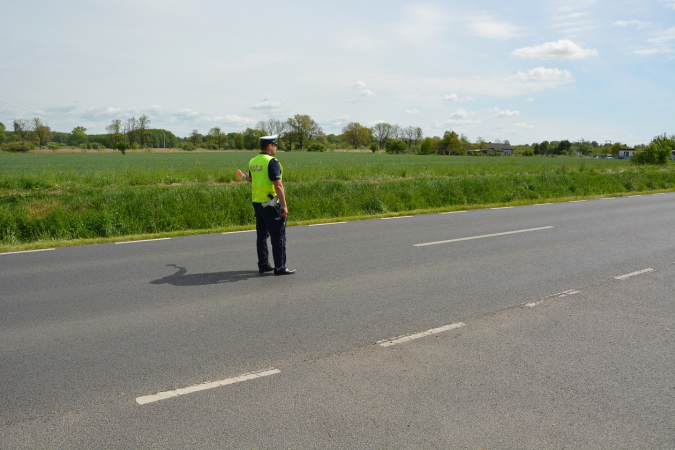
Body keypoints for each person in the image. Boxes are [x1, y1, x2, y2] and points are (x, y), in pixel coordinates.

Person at [245, 135, 296, 275]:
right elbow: (278, 185)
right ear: (269, 146)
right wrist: (285, 207)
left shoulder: (253, 161)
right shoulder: (272, 162)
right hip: (271, 204)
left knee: (261, 235)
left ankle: (263, 264)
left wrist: (246, 177)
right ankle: (280, 267)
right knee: (278, 235)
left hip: (257, 203)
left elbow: (251, 179)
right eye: (275, 145)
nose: (275, 148)